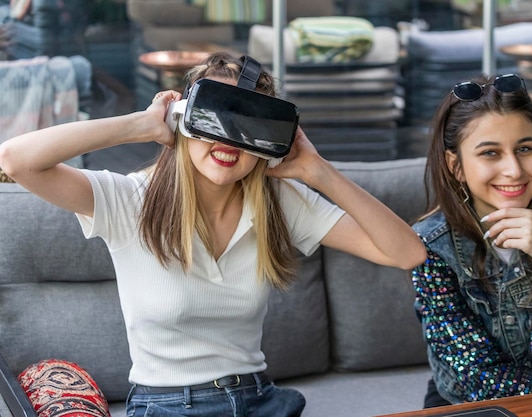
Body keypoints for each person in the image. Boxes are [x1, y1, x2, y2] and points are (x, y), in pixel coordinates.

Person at [0, 51, 427, 417]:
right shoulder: (129, 200)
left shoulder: (279, 201)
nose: (231, 141)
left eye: (249, 125)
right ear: (182, 117)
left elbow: (408, 253)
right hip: (167, 405)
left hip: (262, 399)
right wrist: (144, 124)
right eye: (215, 116)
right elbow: (16, 160)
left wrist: (319, 172)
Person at [411, 73, 532, 407]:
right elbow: (482, 379)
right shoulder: (431, 247)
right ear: (455, 166)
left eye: (524, 149)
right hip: (466, 409)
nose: (514, 170)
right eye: (490, 153)